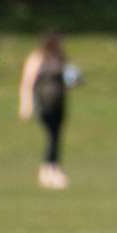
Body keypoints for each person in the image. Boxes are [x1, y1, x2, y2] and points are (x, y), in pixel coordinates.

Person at [18, 33, 74, 189]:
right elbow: (27, 82)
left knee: (56, 136)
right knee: (51, 136)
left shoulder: (60, 58)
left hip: (59, 102)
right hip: (44, 103)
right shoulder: (37, 58)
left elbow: (67, 78)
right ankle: (48, 170)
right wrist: (26, 104)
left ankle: (52, 168)